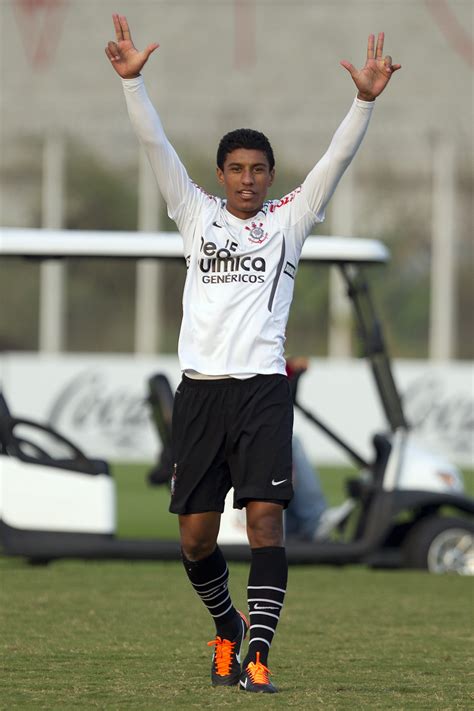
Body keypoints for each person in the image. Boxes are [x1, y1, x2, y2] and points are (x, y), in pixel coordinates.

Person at [105, 15, 400, 693]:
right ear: (220, 175)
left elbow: (336, 160)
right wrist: (133, 85)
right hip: (202, 394)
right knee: (195, 540)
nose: (247, 179)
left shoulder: (289, 221)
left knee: (266, 524)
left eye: (258, 169)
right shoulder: (194, 213)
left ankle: (258, 655)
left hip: (264, 392)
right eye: (236, 169)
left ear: (270, 176)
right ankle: (227, 625)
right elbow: (155, 146)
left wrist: (364, 101)